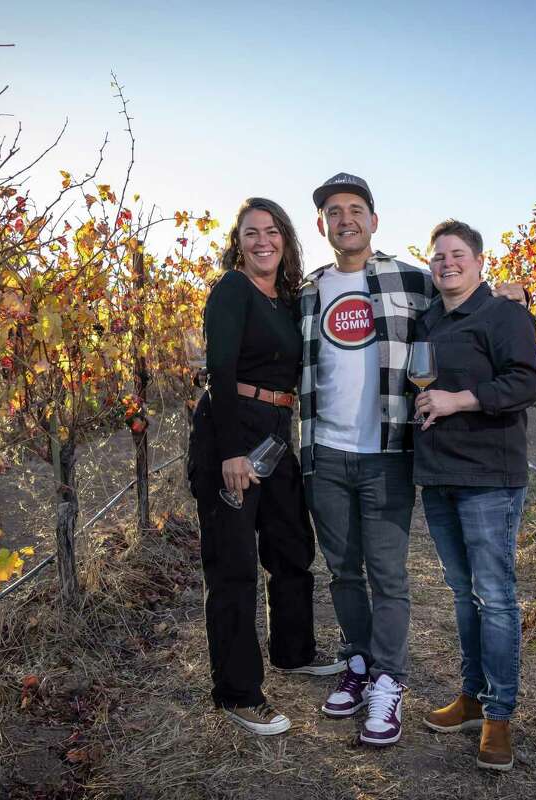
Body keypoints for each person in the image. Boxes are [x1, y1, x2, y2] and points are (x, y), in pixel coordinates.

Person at [299, 174, 527, 747]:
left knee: (399, 577)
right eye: (333, 211)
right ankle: (357, 663)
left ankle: (393, 682)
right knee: (346, 572)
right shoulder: (308, 291)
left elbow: (470, 298)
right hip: (328, 452)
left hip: (391, 453)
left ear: (374, 221)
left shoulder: (410, 279)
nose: (344, 218)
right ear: (322, 224)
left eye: (356, 209)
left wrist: (510, 293)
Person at [187, 197, 343, 737]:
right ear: (239, 241)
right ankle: (237, 692)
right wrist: (230, 452)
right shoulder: (233, 290)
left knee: (291, 546)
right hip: (233, 430)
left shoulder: (287, 301)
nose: (262, 241)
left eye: (272, 231)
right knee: (233, 567)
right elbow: (220, 373)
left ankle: (294, 652)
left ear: (286, 239)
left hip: (278, 433)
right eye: (251, 232)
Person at [412, 219, 536, 771]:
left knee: (496, 595)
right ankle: (470, 697)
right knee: (463, 595)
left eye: (457, 254)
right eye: (438, 256)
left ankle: (499, 715)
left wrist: (457, 400)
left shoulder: (504, 312)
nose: (447, 263)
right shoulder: (428, 316)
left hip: (489, 478)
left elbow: (526, 382)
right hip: (439, 475)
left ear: (481, 261)